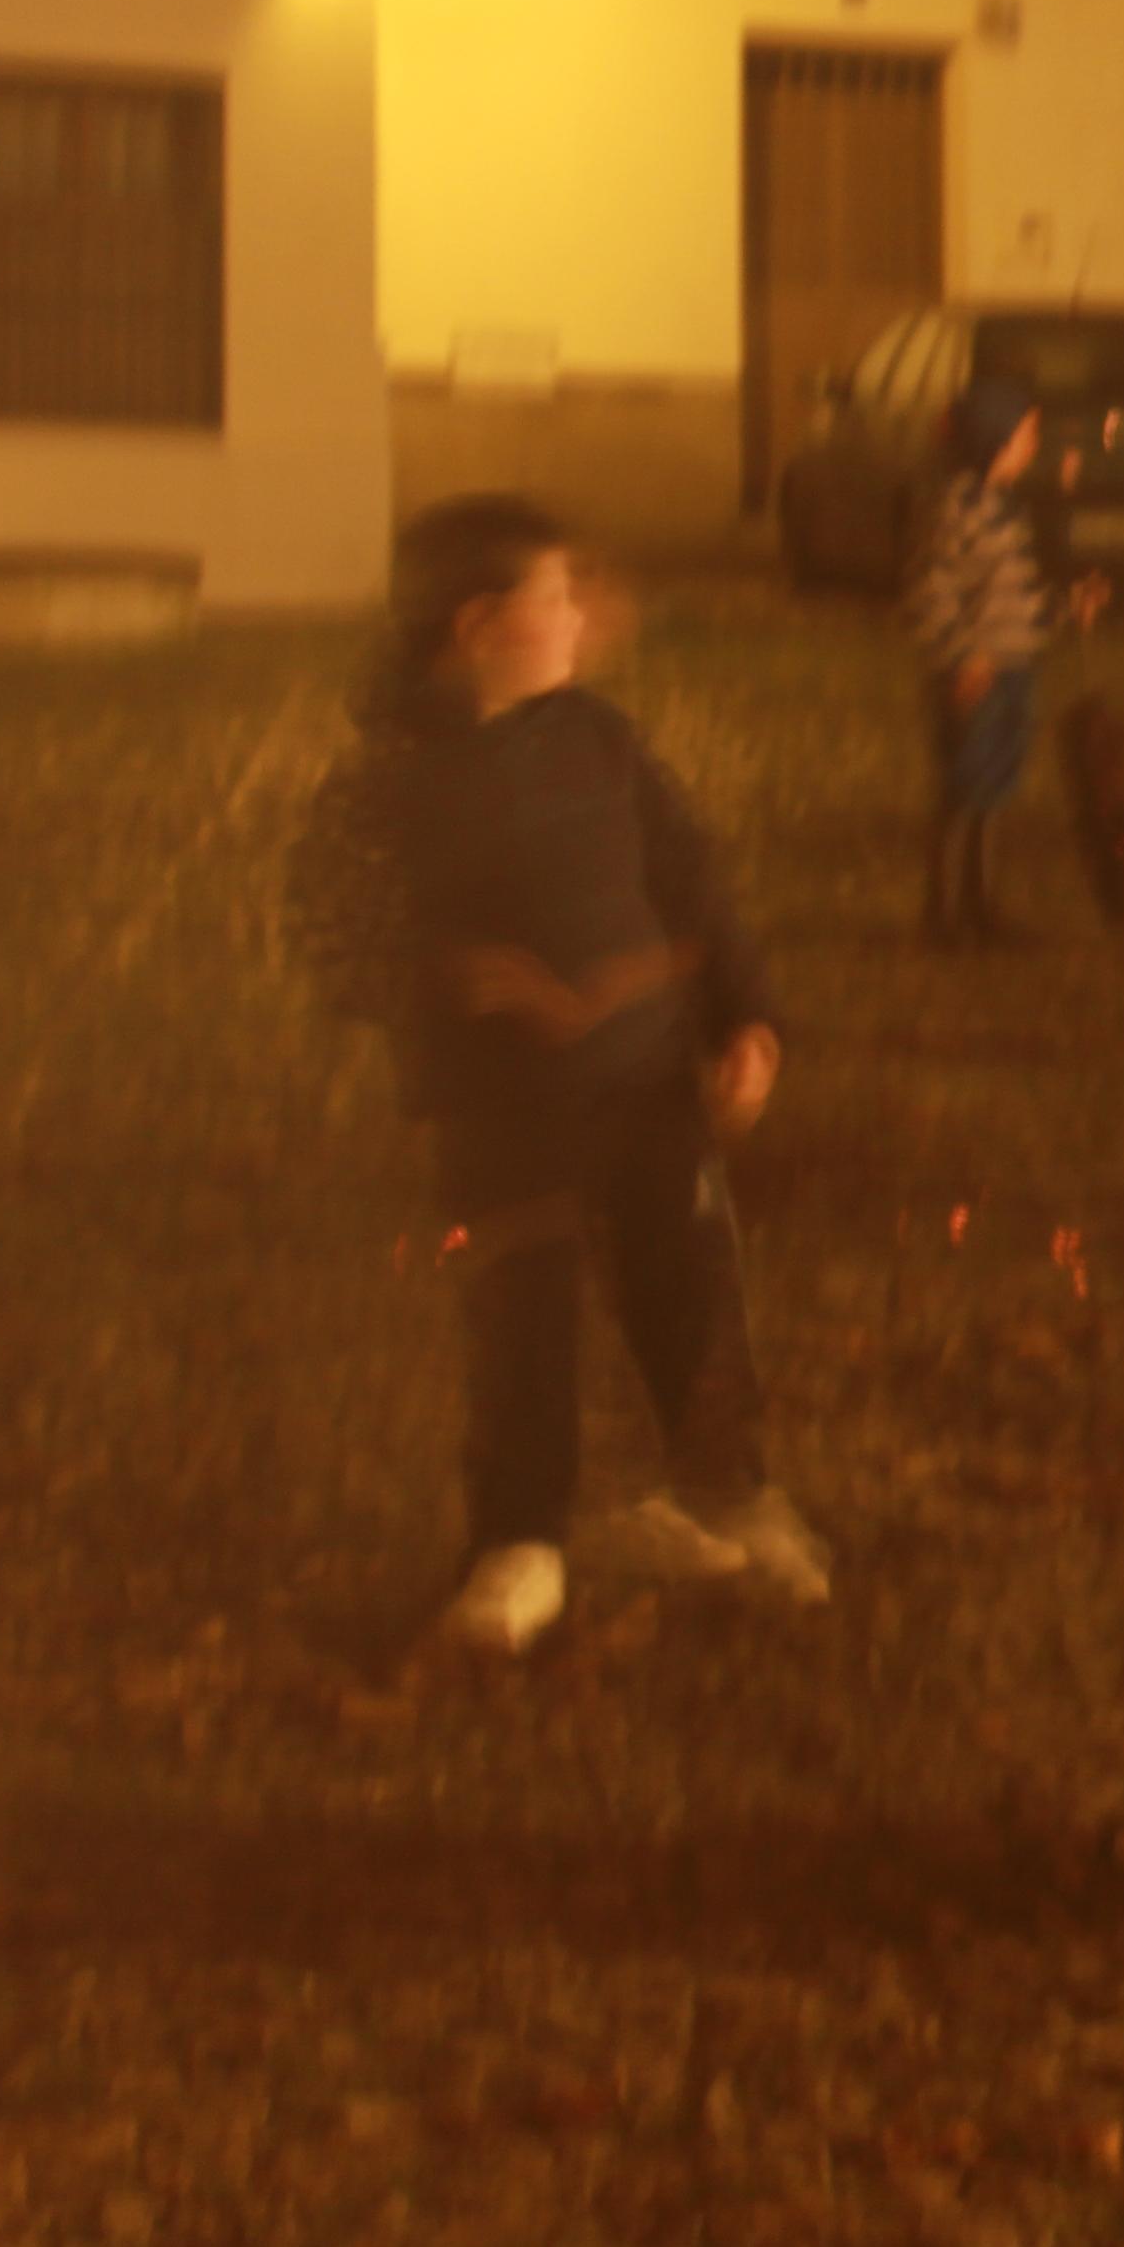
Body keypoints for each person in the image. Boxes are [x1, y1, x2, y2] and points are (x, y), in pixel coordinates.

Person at [308, 498, 825, 1656]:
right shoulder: (400, 783)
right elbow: (340, 931)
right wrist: (441, 983)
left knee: (689, 1292)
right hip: (508, 1116)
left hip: (647, 1087)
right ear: (484, 623)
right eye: (557, 598)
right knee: (523, 1319)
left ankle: (724, 1496)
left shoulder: (601, 741)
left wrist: (747, 1020)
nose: (582, 616)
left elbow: (693, 881)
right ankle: (519, 1543)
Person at [902, 375, 1095, 945]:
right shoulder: (953, 509)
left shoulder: (1005, 510)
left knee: (994, 785)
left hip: (1014, 666)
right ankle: (943, 914)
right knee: (965, 786)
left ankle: (982, 904)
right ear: (994, 441)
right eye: (1026, 435)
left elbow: (1015, 595)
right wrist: (962, 658)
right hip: (976, 673)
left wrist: (1065, 607)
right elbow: (929, 591)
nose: (1033, 446)